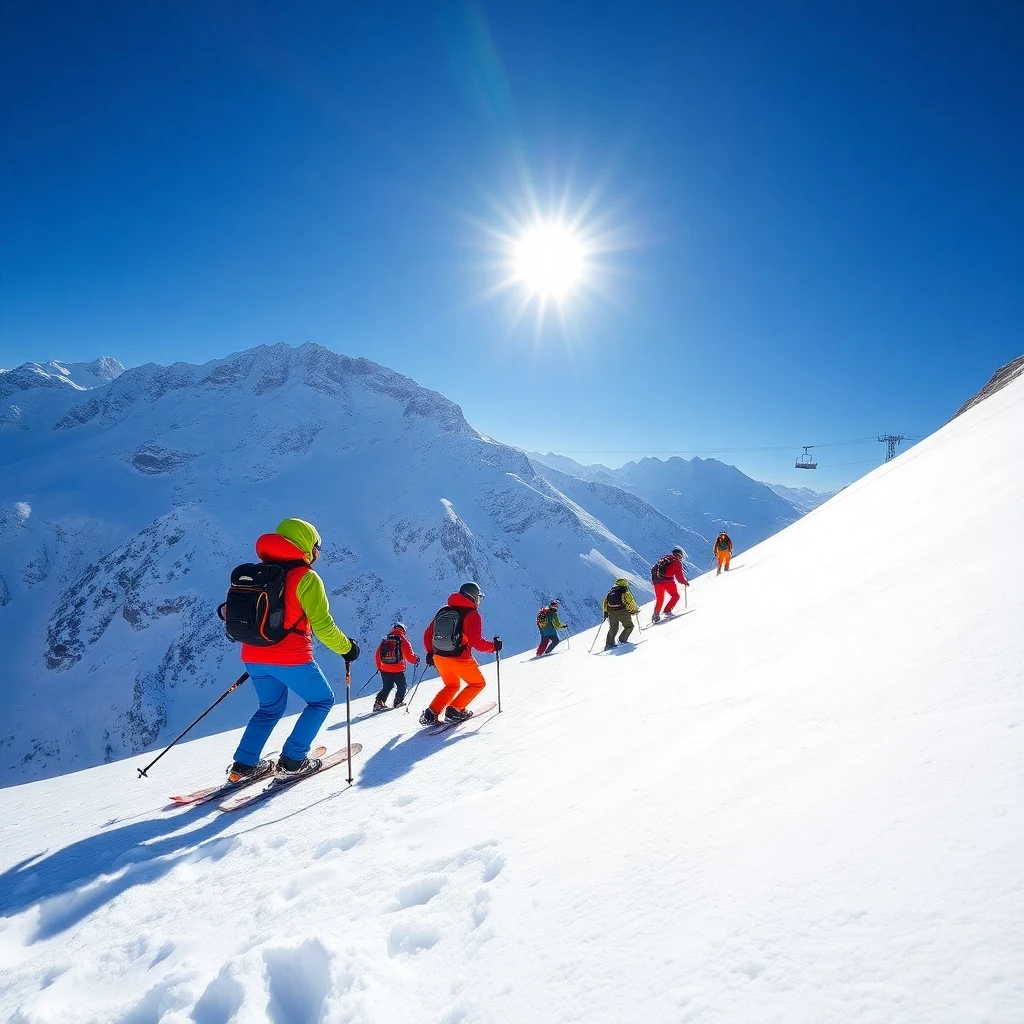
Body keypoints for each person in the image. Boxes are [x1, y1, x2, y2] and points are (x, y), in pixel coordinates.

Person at [227, 518, 359, 782]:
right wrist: (347, 649)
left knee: (269, 708)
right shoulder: (306, 577)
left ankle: (243, 766)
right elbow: (323, 626)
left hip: (253, 655)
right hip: (290, 658)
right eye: (317, 546)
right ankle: (293, 760)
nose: (318, 553)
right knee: (321, 700)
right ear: (306, 543)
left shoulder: (260, 574)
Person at [420, 581, 501, 725]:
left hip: (439, 657)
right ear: (473, 597)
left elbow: (427, 635)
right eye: (479, 598)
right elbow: (477, 643)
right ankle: (455, 709)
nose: (479, 601)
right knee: (477, 683)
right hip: (459, 658)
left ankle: (431, 713)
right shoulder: (472, 615)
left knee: (451, 685)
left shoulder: (443, 611)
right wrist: (493, 647)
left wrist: (431, 653)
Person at [373, 623, 419, 711]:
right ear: (403, 630)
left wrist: (380, 667)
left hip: (385, 669)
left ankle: (378, 703)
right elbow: (409, 656)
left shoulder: (385, 640)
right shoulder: (403, 640)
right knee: (402, 686)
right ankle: (398, 702)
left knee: (387, 687)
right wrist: (416, 660)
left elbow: (378, 655)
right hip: (398, 669)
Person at [650, 546, 689, 623]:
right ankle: (667, 611)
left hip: (656, 580)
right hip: (667, 581)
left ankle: (656, 614)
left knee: (660, 599)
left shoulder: (665, 558)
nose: (681, 558)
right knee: (675, 595)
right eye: (680, 556)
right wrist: (685, 582)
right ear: (678, 555)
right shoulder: (677, 563)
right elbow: (680, 578)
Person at [603, 578, 639, 649]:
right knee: (629, 626)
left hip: (611, 612)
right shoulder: (624, 590)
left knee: (613, 628)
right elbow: (630, 601)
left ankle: (609, 644)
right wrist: (635, 610)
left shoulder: (611, 590)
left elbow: (605, 602)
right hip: (622, 611)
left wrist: (605, 612)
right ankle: (622, 639)